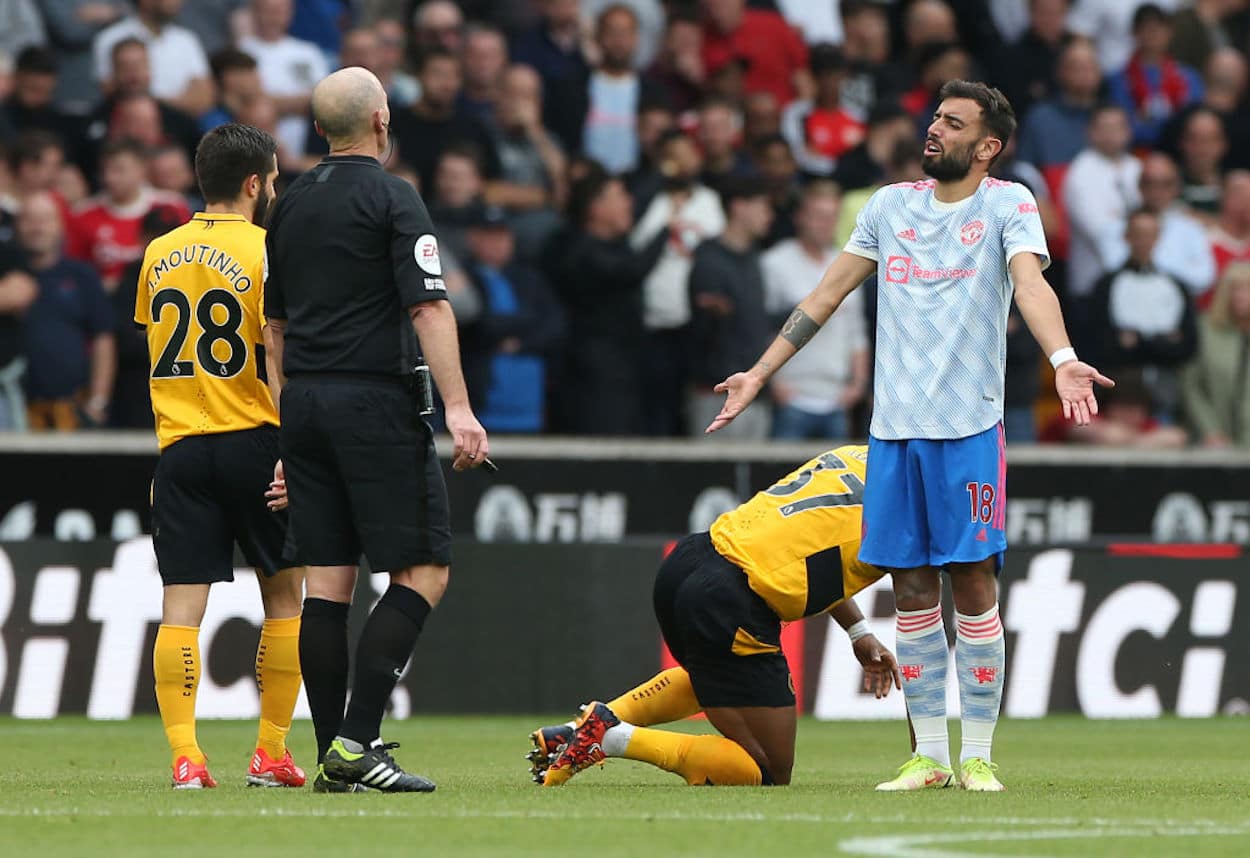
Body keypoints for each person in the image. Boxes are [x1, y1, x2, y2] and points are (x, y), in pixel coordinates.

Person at [703, 80, 1112, 791]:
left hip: (970, 426)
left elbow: (1030, 285)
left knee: (974, 583)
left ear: (987, 146)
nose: (934, 130)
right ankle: (929, 757)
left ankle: (979, 755)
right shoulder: (889, 207)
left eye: (952, 124)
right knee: (914, 590)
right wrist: (760, 373)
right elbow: (823, 296)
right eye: (934, 118)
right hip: (893, 432)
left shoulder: (1008, 203)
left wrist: (1064, 358)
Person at [263, 67, 490, 793]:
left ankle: (335, 754)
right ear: (382, 121)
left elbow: (275, 328)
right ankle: (358, 741)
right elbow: (428, 308)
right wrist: (458, 408)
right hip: (373, 404)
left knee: (328, 584)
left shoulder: (289, 203)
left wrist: (284, 427)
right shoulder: (394, 197)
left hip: (304, 406)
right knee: (423, 571)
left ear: (322, 129)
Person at [529, 445, 901, 787]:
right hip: (731, 599)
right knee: (768, 770)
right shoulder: (911, 507)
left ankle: (576, 729)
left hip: (690, 558)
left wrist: (857, 631)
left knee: (713, 678)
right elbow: (922, 596)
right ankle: (614, 736)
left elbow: (811, 544)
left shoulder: (857, 454)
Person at [134, 123, 305, 789]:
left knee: (180, 607)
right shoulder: (269, 251)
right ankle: (269, 752)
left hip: (180, 447)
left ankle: (186, 757)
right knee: (285, 597)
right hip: (258, 441)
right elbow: (278, 354)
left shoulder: (158, 253)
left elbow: (152, 343)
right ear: (256, 182)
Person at [630, 129, 724, 436]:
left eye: (686, 153)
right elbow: (634, 248)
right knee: (660, 404)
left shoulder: (709, 200)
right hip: (657, 319)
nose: (681, 163)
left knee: (698, 404)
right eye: (673, 155)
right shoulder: (648, 200)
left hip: (699, 318)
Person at [762, 182, 869, 441]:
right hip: (791, 394)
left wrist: (858, 384)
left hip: (836, 398)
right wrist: (772, 384)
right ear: (800, 218)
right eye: (818, 216)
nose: (826, 223)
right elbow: (761, 328)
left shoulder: (847, 265)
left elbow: (857, 333)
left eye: (833, 216)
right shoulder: (775, 263)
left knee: (834, 481)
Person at [17, 191, 116, 431]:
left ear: (60, 226)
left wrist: (98, 400)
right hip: (14, 407)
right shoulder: (7, 273)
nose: (37, 227)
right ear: (19, 226)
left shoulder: (82, 275)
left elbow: (103, 338)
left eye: (45, 219)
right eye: (30, 219)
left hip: (72, 408)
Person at [1088, 207, 1197, 422]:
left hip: (1166, 390)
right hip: (1121, 395)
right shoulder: (1106, 286)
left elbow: (1188, 346)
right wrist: (1162, 341)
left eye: (1150, 234)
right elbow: (1100, 344)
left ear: (1158, 237)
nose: (1144, 241)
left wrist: (1136, 341)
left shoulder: (1177, 286)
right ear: (1127, 237)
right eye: (1138, 234)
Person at [687, 177, 775, 440]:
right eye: (763, 206)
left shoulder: (755, 259)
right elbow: (707, 328)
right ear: (739, 207)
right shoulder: (708, 260)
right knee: (715, 477)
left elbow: (752, 320)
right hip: (718, 391)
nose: (769, 216)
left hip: (755, 388)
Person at [67, 138, 191, 293]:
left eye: (119, 170)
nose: (109, 178)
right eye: (105, 170)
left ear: (141, 169)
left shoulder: (171, 206)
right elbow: (75, 272)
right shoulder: (83, 214)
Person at [238, 0, 330, 160]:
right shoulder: (242, 50)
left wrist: (270, 102)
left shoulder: (309, 52)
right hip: (256, 146)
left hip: (308, 142)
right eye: (267, 10)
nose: (273, 16)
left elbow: (322, 99)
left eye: (279, 10)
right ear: (255, 12)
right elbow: (244, 100)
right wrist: (299, 103)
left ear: (290, 13)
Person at [92, 0, 213, 117]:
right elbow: (111, 92)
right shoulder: (110, 38)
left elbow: (205, 98)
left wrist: (154, 104)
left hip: (181, 128)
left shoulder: (187, 39)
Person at [1183, 261, 1250, 447]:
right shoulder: (1204, 329)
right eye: (1235, 289)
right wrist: (1210, 431)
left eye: (1247, 289)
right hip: (1214, 440)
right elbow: (1191, 386)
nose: (1241, 296)